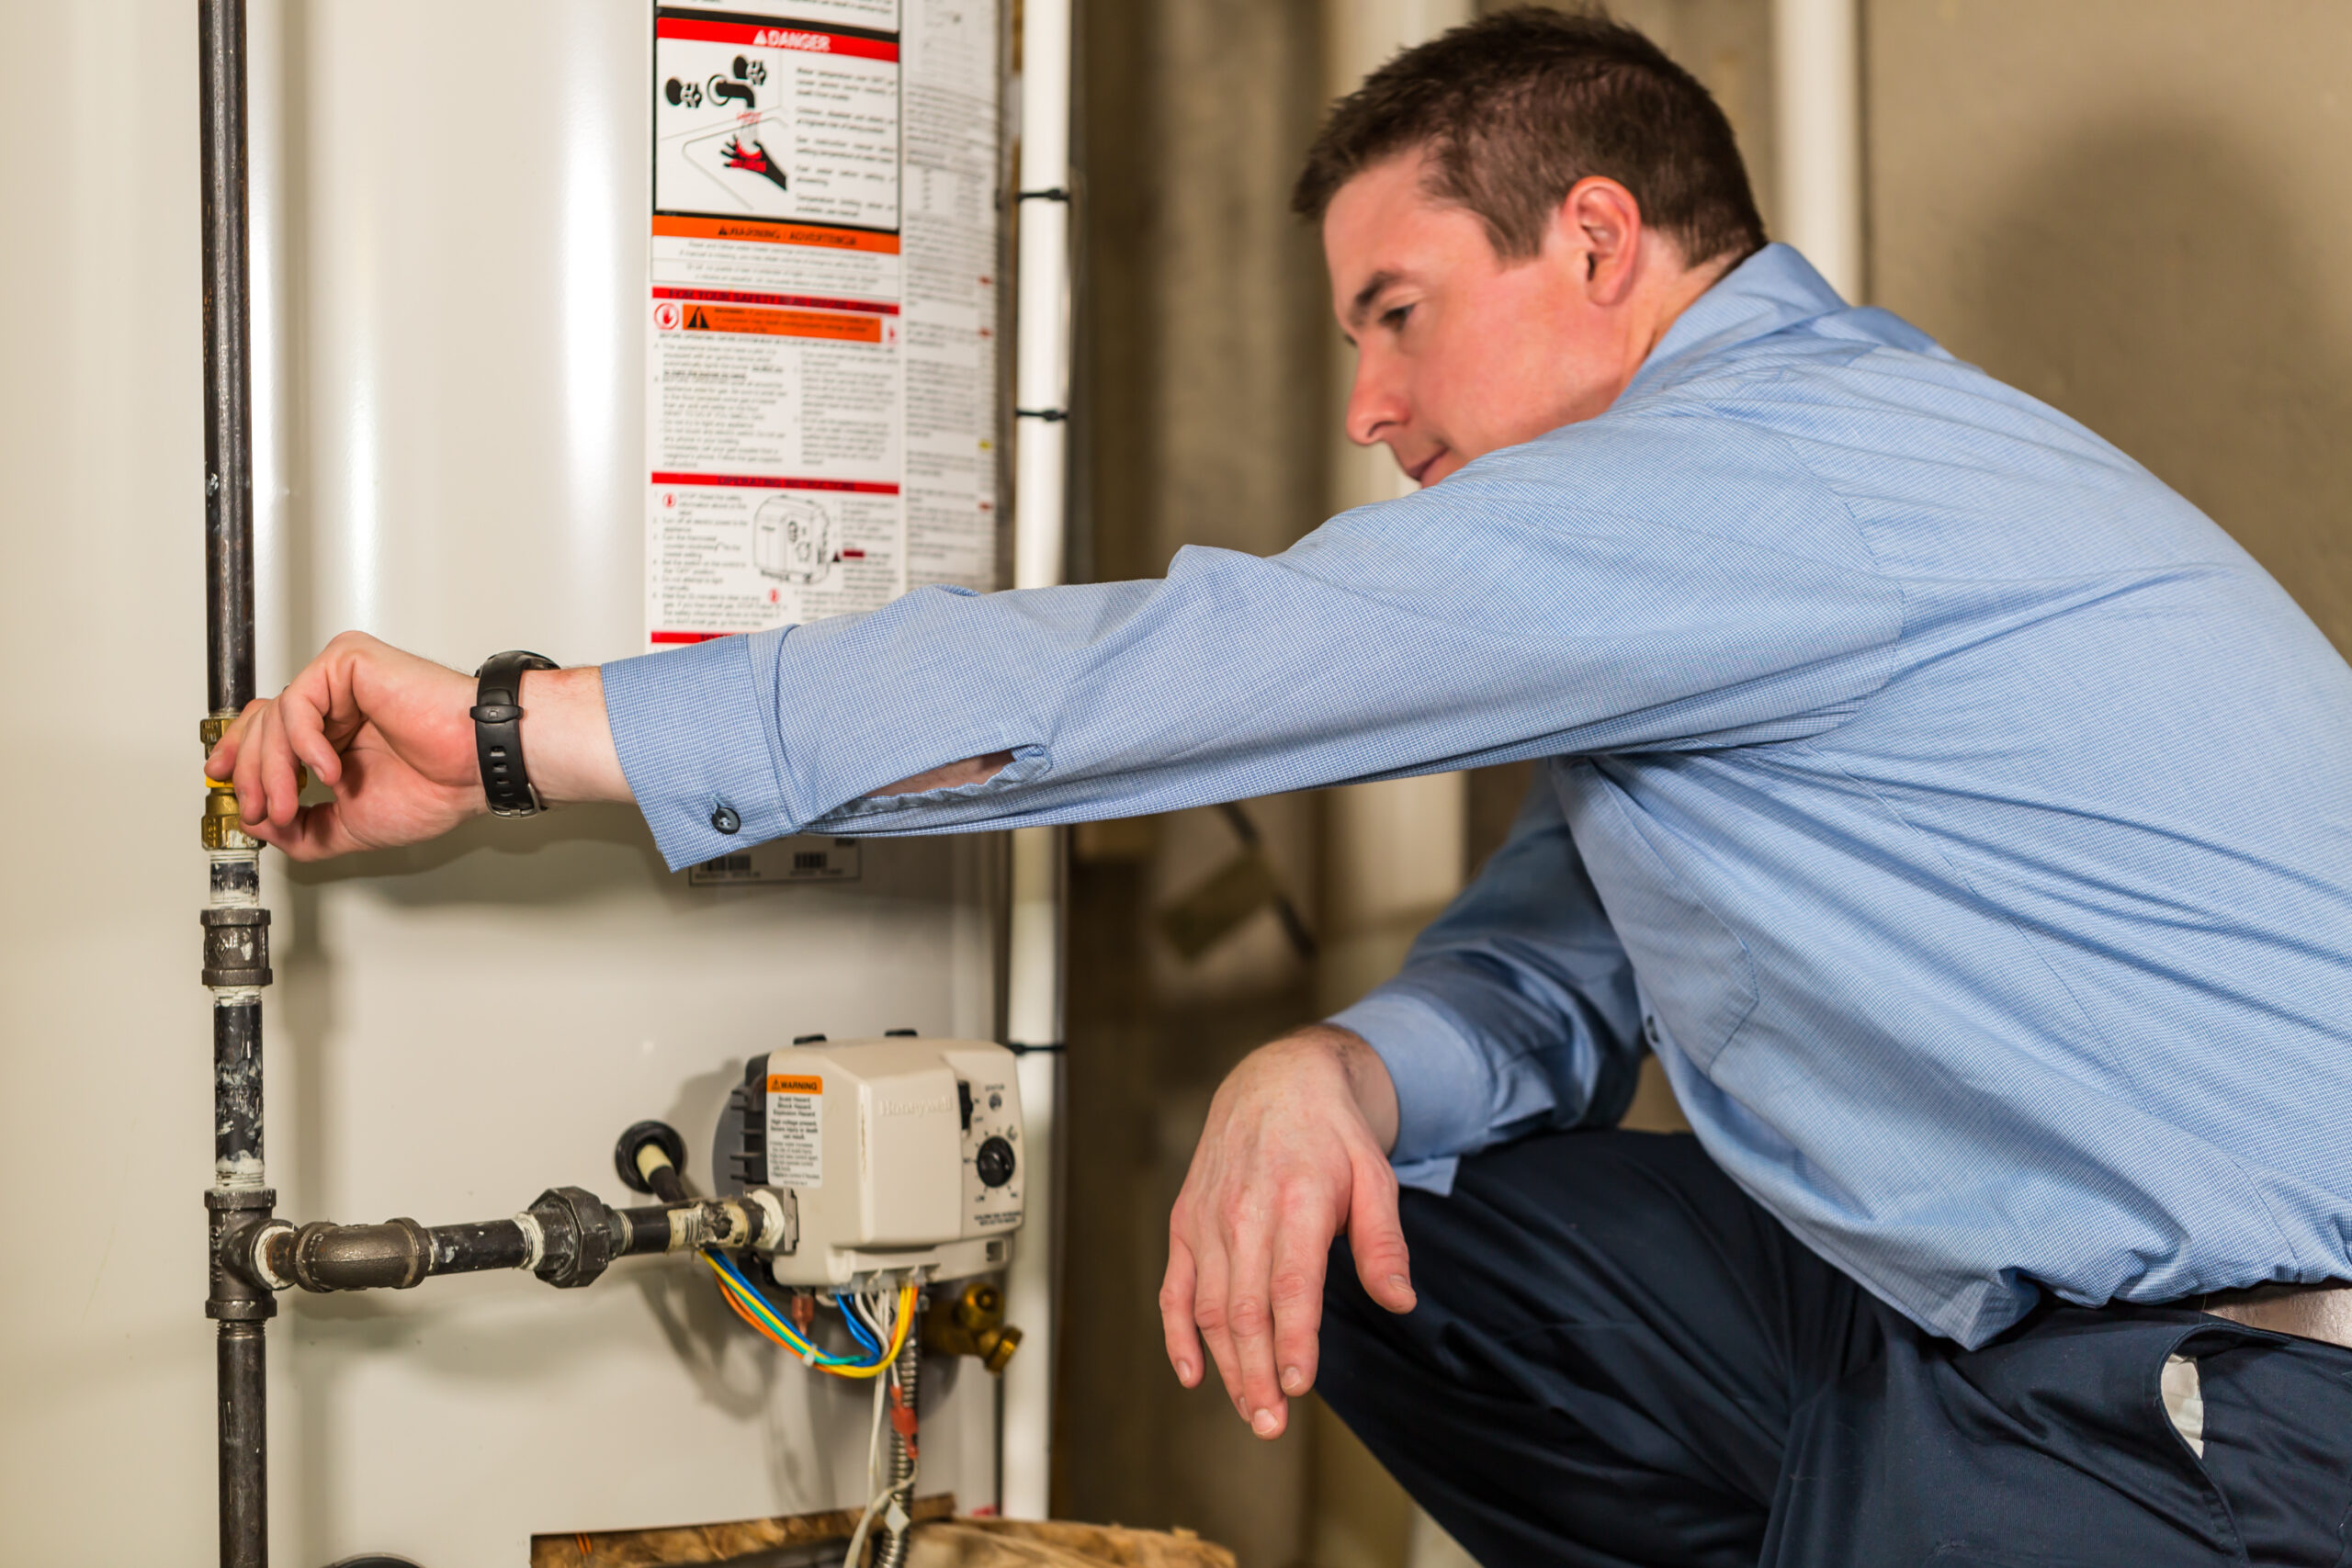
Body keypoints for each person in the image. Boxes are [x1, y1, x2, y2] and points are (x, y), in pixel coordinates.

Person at [209, 10, 2352, 1564]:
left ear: (1596, 242)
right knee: (1378, 1227)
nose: (1369, 406)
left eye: (1401, 315)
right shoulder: (1778, 506)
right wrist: (1335, 1065)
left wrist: (518, 728)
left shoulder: (1770, 472)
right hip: (1984, 1315)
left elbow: (1178, 664)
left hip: (2243, 1395)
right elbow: (1572, 946)